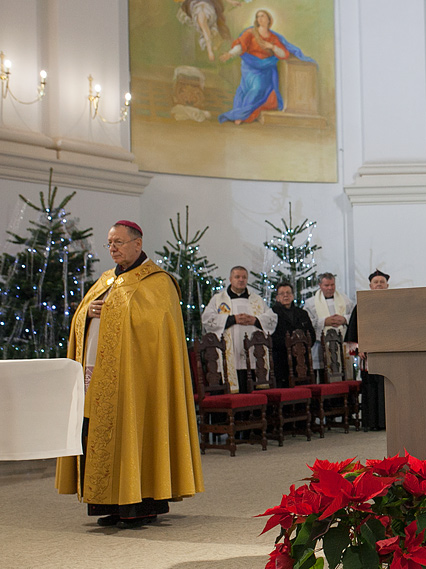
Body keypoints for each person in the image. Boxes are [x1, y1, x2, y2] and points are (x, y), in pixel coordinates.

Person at [55, 220, 204, 528]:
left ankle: (142, 506)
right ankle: (108, 503)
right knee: (97, 433)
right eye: (110, 243)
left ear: (138, 244)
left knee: (137, 432)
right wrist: (86, 312)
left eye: (119, 242)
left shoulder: (158, 282)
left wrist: (110, 313)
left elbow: (154, 326)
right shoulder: (106, 279)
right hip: (98, 377)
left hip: (139, 381)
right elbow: (85, 313)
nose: (113, 248)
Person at [218, 9, 315, 124]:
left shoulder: (273, 38)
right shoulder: (250, 33)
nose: (260, 18)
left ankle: (241, 114)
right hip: (250, 67)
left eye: (263, 16)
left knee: (258, 89)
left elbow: (284, 53)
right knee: (249, 89)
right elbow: (241, 46)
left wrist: (272, 47)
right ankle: (240, 114)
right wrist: (230, 54)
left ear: (269, 19)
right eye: (258, 16)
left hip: (265, 69)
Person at [201, 266, 277, 393]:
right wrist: (232, 319)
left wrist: (255, 320)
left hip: (253, 356)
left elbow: (272, 318)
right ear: (230, 279)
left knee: (251, 389)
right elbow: (207, 318)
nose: (241, 280)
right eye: (237, 277)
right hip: (230, 354)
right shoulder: (218, 299)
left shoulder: (256, 300)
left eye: (244, 277)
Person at [345, 269, 390, 430]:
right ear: (370, 286)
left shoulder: (393, 303)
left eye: (382, 282)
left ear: (387, 285)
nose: (379, 284)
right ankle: (371, 423)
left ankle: (387, 423)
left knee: (387, 388)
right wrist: (360, 347)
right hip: (368, 356)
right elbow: (353, 330)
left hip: (389, 354)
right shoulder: (361, 305)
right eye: (376, 282)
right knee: (370, 389)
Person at [306, 272, 353, 377]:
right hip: (321, 344)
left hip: (342, 341)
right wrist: (323, 321)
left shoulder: (345, 300)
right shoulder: (310, 303)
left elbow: (354, 316)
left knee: (344, 372)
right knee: (324, 373)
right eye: (326, 285)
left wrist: (344, 319)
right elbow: (307, 322)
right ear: (320, 286)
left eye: (332, 285)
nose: (330, 288)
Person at [270, 281, 315, 388]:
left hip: (302, 359)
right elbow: (272, 337)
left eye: (288, 293)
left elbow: (311, 335)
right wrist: (289, 347)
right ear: (277, 298)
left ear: (293, 296)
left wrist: (301, 348)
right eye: (282, 293)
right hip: (282, 359)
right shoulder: (272, 314)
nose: (286, 295)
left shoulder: (302, 313)